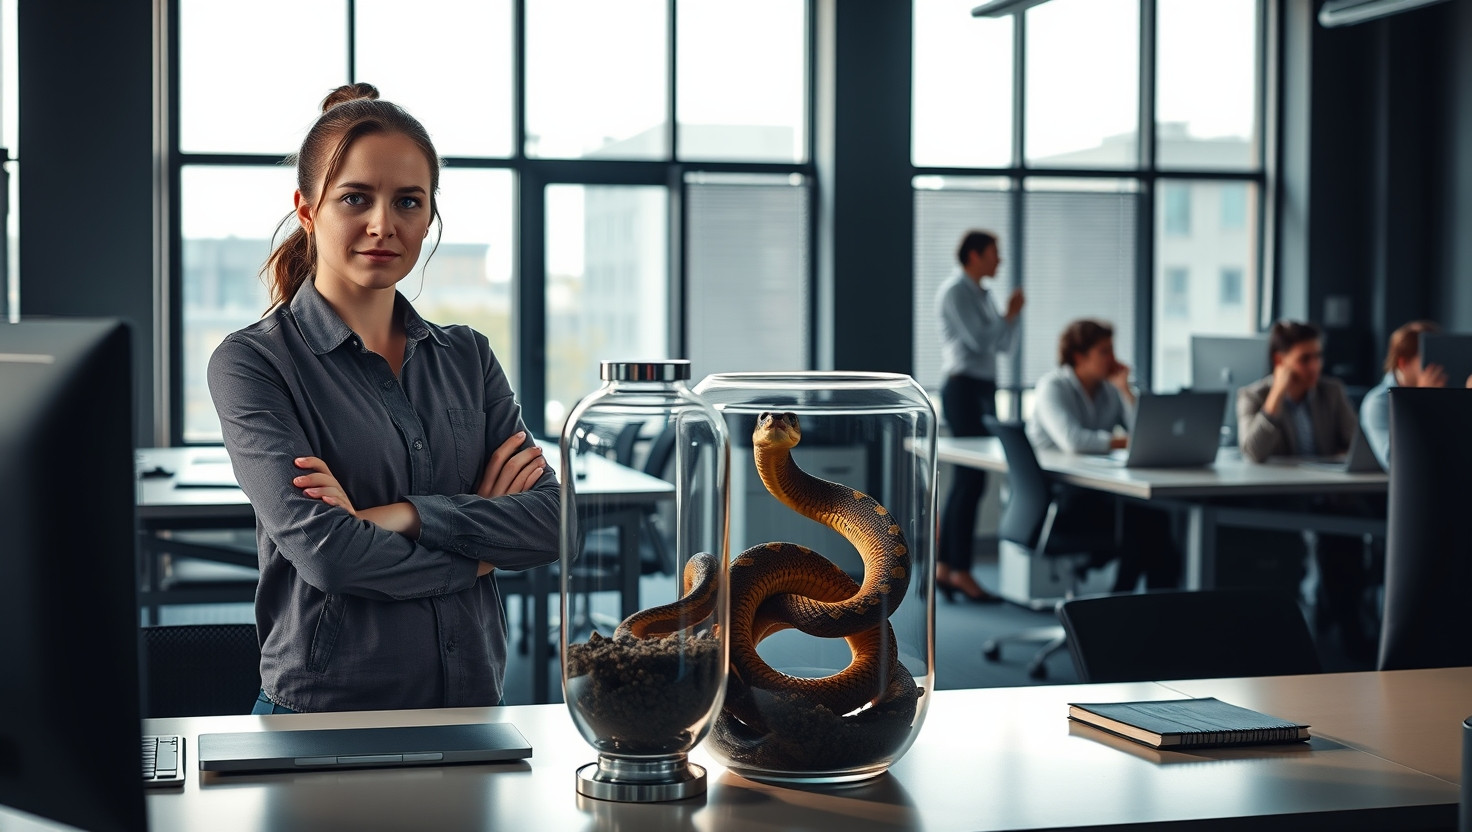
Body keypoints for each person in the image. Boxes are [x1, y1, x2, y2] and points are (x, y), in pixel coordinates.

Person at [208, 84, 559, 714]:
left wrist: (399, 516)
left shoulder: (468, 356)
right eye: (355, 198)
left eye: (407, 202)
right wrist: (480, 551)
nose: (383, 225)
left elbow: (555, 522)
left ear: (429, 217)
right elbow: (329, 555)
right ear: (307, 209)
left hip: (474, 704)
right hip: (325, 716)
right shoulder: (254, 363)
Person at [1236, 319, 1373, 659]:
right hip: (1282, 502)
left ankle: (1347, 629)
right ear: (1280, 360)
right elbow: (1253, 451)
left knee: (1347, 539)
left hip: (1330, 496)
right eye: (1304, 358)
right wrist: (1276, 397)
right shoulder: (1253, 396)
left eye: (1318, 356)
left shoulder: (1331, 391)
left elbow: (1356, 444)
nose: (1315, 366)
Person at [1028, 319, 1181, 592]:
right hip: (1060, 502)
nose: (1113, 358)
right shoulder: (1053, 387)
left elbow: (1143, 431)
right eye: (1104, 351)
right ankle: (1127, 600)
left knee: (1153, 522)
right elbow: (1074, 441)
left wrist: (1125, 390)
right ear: (1079, 356)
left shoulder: (1110, 389)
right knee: (1146, 527)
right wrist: (1126, 441)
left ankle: (1131, 601)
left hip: (1098, 493)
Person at [935, 230, 1024, 603]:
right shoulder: (956, 291)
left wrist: (1008, 319)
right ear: (974, 255)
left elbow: (1003, 344)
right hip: (963, 389)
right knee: (970, 480)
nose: (999, 260)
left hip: (983, 388)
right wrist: (1009, 315)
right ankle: (959, 570)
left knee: (971, 481)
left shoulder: (983, 295)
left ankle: (948, 568)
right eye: (993, 253)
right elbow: (981, 340)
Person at [1360, 320, 1472, 469]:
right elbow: (1394, 461)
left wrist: (1467, 399)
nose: (1439, 368)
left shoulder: (1447, 391)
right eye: (1430, 359)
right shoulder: (1378, 402)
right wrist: (1425, 400)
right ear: (1403, 363)